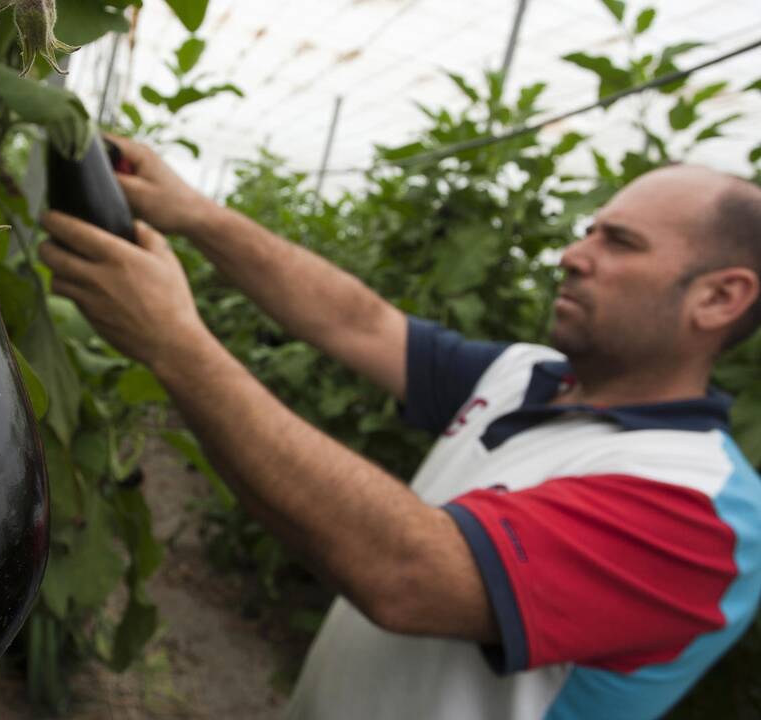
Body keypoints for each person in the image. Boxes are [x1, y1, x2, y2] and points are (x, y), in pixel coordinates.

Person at [38, 137, 761, 720]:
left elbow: (410, 575)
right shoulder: (528, 376)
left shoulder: (706, 511)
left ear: (719, 298)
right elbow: (359, 321)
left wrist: (175, 341)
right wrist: (194, 213)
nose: (575, 255)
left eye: (621, 243)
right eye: (588, 231)